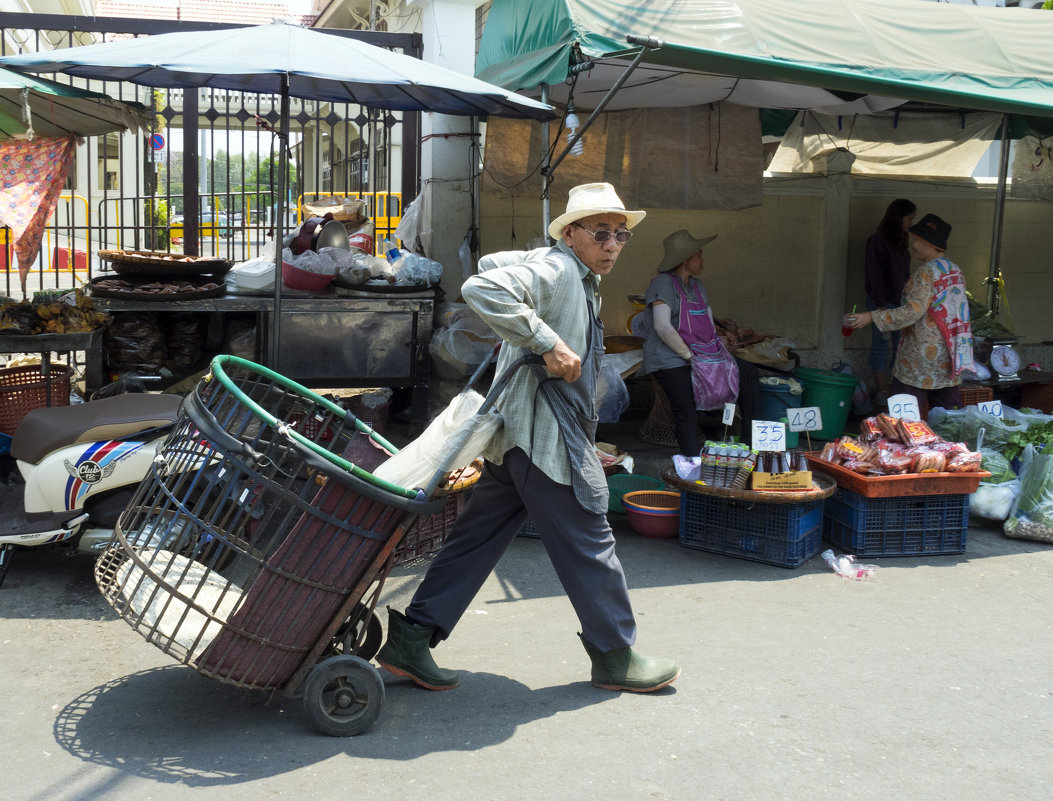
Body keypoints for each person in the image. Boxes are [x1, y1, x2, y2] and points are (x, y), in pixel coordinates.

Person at [376, 182, 680, 694]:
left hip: (517, 434)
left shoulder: (577, 276)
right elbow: (481, 287)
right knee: (590, 538)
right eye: (600, 233)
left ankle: (411, 639)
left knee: (476, 539)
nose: (611, 245)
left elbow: (498, 269)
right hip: (543, 436)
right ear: (572, 234)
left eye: (620, 235)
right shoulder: (561, 271)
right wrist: (547, 343)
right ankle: (614, 655)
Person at [637, 229, 759, 456]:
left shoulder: (697, 285)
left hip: (701, 354)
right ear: (685, 258)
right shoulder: (663, 283)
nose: (702, 260)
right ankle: (693, 468)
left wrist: (718, 346)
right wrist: (691, 357)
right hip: (670, 358)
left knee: (749, 373)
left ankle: (748, 447)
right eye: (699, 255)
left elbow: (705, 322)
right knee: (686, 410)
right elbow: (662, 327)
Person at [844, 213, 973, 411]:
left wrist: (871, 317)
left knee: (901, 416)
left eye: (916, 240)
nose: (912, 244)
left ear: (929, 243)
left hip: (920, 358)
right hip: (950, 354)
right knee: (949, 416)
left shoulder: (925, 272)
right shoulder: (954, 270)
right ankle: (955, 442)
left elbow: (912, 312)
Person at [864, 199, 916, 403]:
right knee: (880, 346)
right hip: (883, 303)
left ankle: (895, 389)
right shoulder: (876, 241)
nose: (910, 223)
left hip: (900, 303)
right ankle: (882, 390)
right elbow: (873, 275)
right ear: (898, 218)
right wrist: (879, 305)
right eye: (909, 219)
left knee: (900, 346)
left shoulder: (902, 240)